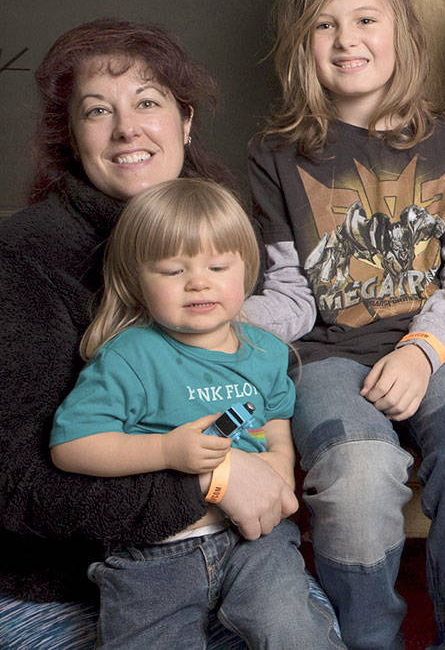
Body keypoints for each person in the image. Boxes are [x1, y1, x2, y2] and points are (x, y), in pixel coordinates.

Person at [242, 0, 445, 650]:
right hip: (327, 358)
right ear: (302, 43)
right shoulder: (274, 156)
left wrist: (423, 350)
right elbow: (290, 292)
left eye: (366, 19)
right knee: (357, 472)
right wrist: (221, 325)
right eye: (324, 24)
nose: (347, 40)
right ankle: (367, 636)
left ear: (402, 32)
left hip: (439, 349)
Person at [0, 19, 302, 649]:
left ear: (185, 121)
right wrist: (210, 481)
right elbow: (20, 487)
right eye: (97, 111)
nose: (126, 129)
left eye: (146, 102)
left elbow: (259, 397)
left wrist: (274, 465)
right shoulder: (21, 257)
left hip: (232, 547)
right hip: (64, 582)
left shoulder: (215, 223)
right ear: (71, 137)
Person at [49, 178, 341, 649]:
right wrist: (166, 450)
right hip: (153, 554)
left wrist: (279, 464)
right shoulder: (128, 357)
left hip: (255, 543)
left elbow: (274, 420)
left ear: (246, 270)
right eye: (172, 270)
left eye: (218, 266)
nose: (199, 282)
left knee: (293, 630)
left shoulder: (266, 350)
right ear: (137, 280)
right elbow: (71, 445)